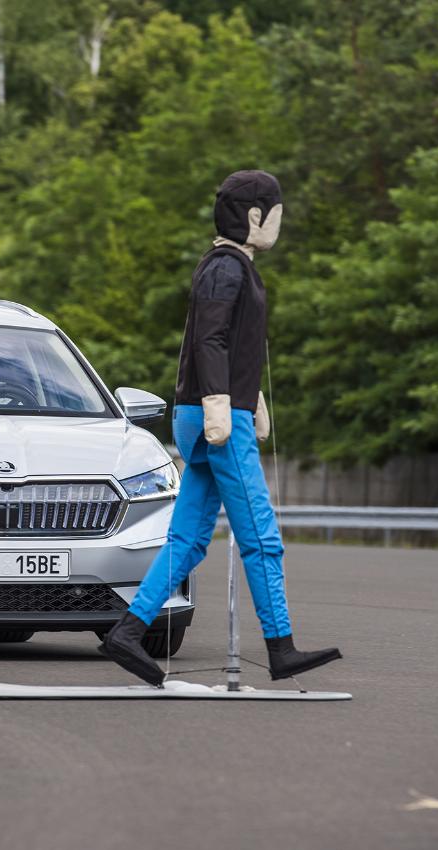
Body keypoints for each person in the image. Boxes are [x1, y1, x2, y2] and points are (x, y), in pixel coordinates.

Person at [99, 170, 343, 687]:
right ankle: (281, 647)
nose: (278, 224)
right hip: (217, 418)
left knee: (188, 537)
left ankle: (128, 631)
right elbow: (209, 340)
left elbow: (228, 344)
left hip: (214, 410)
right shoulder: (227, 268)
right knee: (261, 536)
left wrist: (250, 398)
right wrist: (220, 404)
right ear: (254, 216)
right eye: (274, 214)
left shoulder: (227, 266)